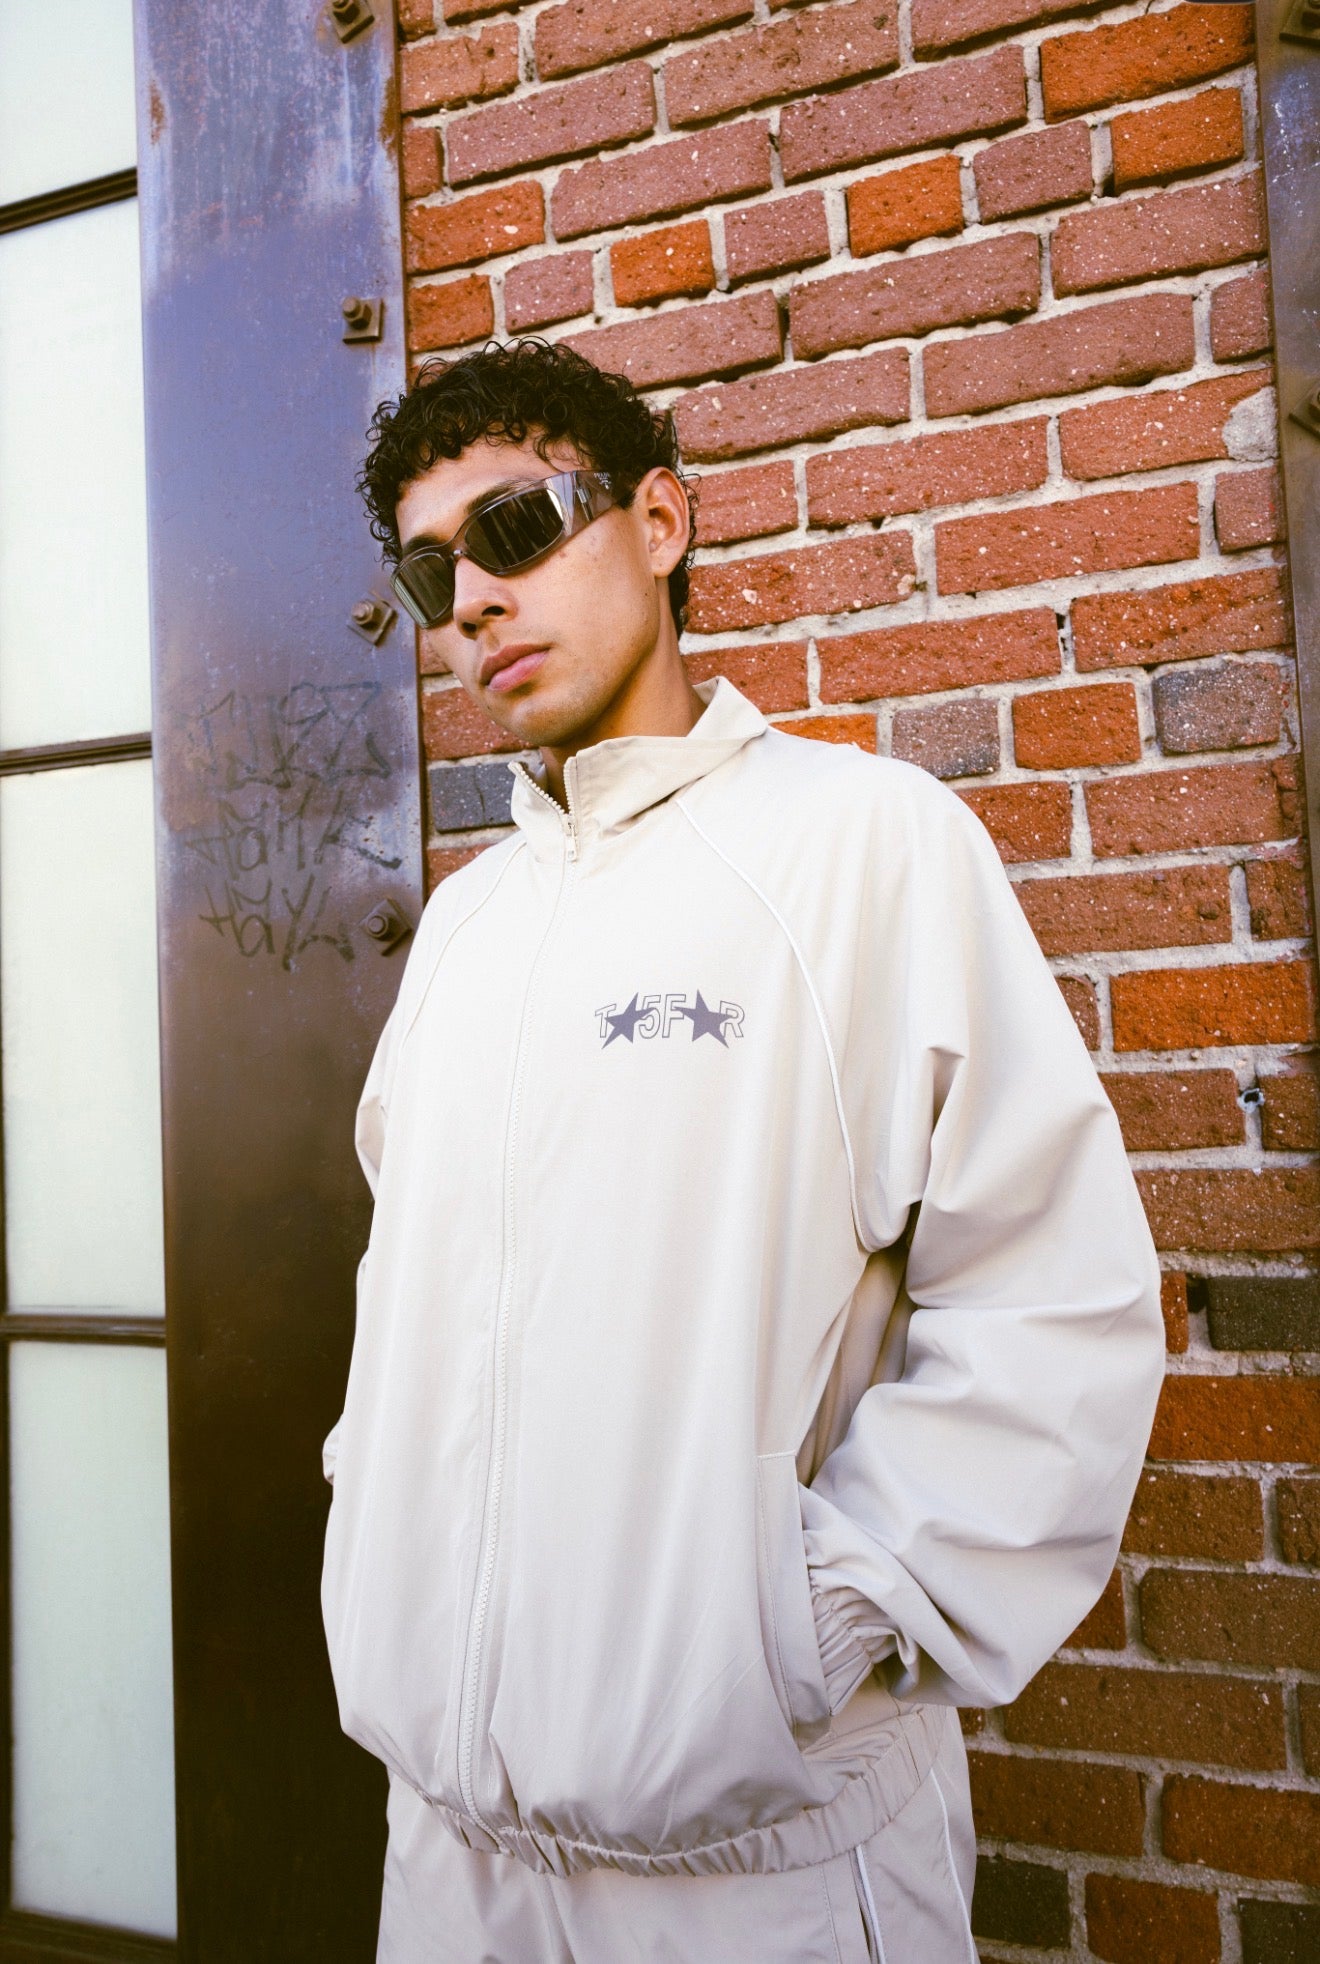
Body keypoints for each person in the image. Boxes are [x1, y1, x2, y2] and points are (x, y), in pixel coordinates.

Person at [320, 337, 1166, 1964]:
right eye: (431, 573)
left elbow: (1049, 1297)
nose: (472, 601)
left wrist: (816, 1624)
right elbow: (407, 1321)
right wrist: (381, 1550)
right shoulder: (467, 931)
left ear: (660, 521)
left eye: (515, 528)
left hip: (763, 1871)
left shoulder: (865, 849)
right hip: (448, 1864)